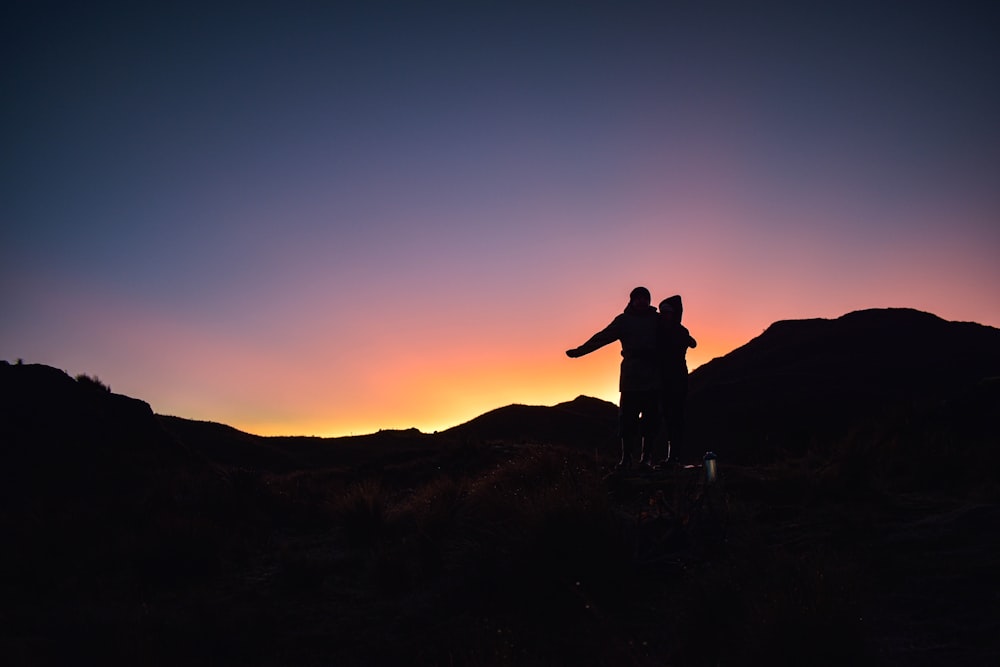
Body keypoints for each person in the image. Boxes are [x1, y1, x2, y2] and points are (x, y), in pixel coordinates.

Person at [566, 286, 661, 470]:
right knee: (627, 419)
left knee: (651, 420)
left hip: (653, 378)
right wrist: (580, 351)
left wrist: (686, 339)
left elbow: (674, 330)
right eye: (638, 298)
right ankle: (626, 458)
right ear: (632, 300)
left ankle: (646, 458)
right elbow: (603, 337)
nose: (642, 301)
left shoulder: (657, 320)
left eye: (645, 298)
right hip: (631, 378)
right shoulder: (623, 321)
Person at [655, 294, 697, 467]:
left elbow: (692, 343)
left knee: (676, 417)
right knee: (667, 416)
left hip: (677, 379)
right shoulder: (660, 329)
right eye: (662, 311)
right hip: (662, 380)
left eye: (668, 312)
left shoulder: (679, 331)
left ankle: (675, 456)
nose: (664, 314)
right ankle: (671, 456)